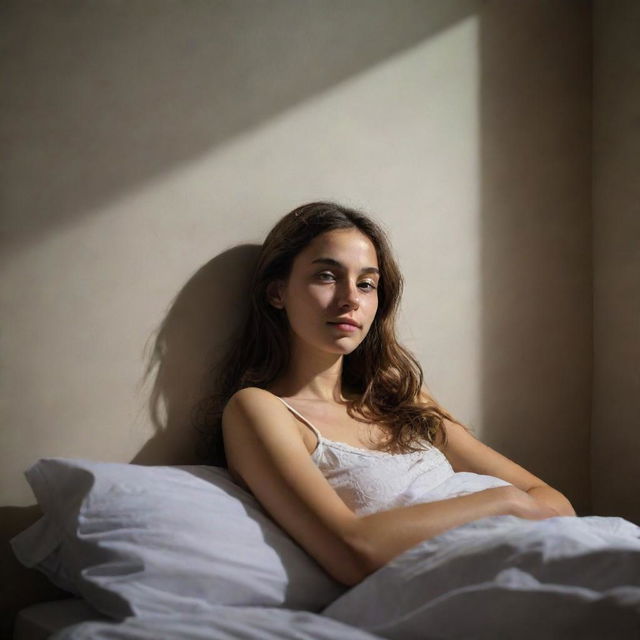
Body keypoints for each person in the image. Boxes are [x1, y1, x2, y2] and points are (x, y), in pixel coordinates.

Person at [213, 201, 576, 588]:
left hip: (542, 552)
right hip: (466, 583)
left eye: (366, 283)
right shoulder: (259, 410)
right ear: (277, 292)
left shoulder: (398, 396)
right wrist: (506, 503)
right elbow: (353, 552)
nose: (351, 298)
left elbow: (557, 504)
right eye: (326, 276)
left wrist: (520, 506)